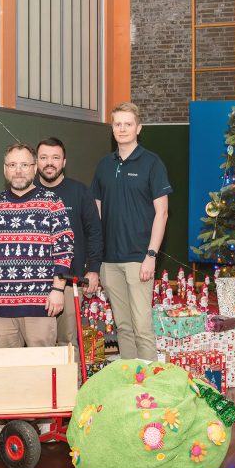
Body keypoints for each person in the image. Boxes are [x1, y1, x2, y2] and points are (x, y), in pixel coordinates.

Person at [0, 143, 74, 441]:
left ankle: (45, 418)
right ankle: (6, 418)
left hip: (41, 302)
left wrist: (58, 289)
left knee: (43, 364)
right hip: (2, 304)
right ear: (5, 170)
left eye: (25, 165)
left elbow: (65, 248)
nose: (19, 170)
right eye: (12, 165)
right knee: (6, 366)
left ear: (34, 168)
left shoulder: (52, 202)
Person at [90, 102, 171, 361]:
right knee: (123, 327)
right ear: (112, 128)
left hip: (139, 258)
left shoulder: (152, 163)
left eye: (128, 124)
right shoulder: (103, 165)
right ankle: (130, 382)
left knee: (142, 328)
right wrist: (96, 259)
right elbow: (97, 213)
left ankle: (151, 385)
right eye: (117, 124)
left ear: (138, 128)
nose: (122, 129)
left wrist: (151, 255)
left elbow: (162, 213)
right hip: (109, 261)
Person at [35, 137, 103, 351]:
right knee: (38, 344)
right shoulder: (27, 192)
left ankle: (72, 384)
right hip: (34, 284)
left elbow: (95, 233)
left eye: (55, 157)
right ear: (36, 161)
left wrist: (93, 270)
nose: (49, 163)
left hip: (70, 282)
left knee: (68, 343)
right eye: (44, 157)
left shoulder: (80, 192)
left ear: (64, 162)